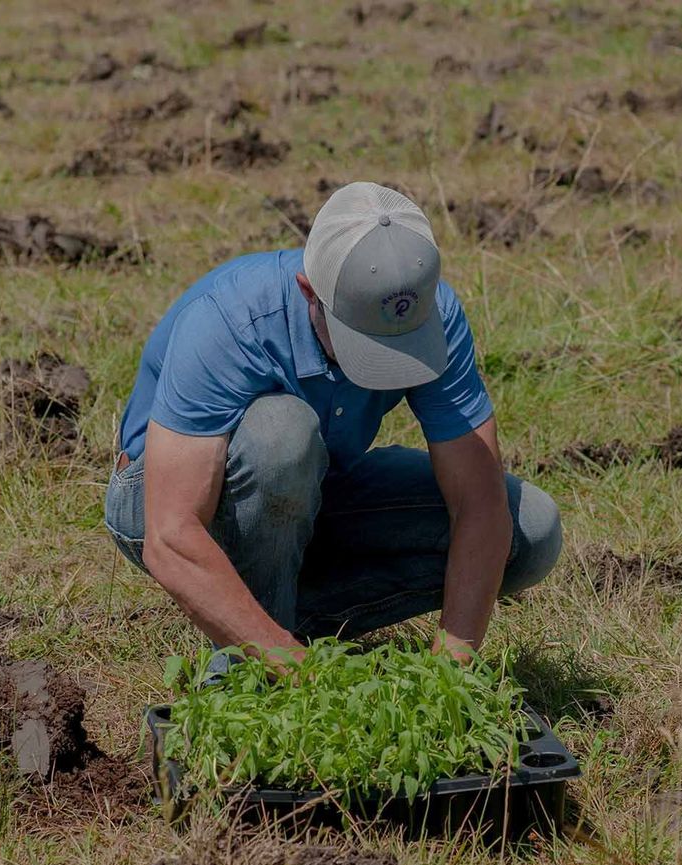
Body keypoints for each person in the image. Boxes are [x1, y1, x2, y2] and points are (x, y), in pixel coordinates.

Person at [104, 181, 562, 666]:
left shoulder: (433, 314)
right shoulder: (230, 321)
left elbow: (478, 502)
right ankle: (247, 669)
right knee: (282, 432)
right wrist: (304, 681)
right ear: (310, 291)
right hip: (168, 503)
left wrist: (453, 672)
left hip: (312, 488)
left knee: (529, 529)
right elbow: (171, 533)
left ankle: (264, 622)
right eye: (362, 340)